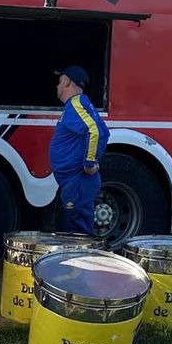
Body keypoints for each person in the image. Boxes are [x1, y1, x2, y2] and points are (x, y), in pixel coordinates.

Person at [49, 65, 110, 236]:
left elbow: (96, 131)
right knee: (72, 232)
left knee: (79, 236)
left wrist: (90, 163)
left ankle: (83, 262)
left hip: (78, 182)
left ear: (67, 81)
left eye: (60, 82)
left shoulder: (76, 104)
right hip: (75, 183)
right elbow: (103, 131)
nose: (57, 86)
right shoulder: (78, 105)